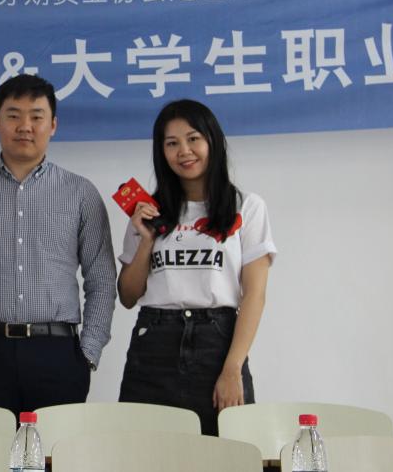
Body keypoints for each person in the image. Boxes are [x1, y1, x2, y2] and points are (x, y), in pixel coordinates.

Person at [0, 74, 117, 414]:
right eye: (14, 115)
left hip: (58, 354)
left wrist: (88, 354)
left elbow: (102, 279)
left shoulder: (80, 193)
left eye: (36, 116)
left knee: (55, 446)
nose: (25, 126)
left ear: (53, 125)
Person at [117, 99, 275, 436]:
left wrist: (232, 368)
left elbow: (255, 296)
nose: (184, 151)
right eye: (171, 143)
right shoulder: (148, 212)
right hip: (154, 342)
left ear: (212, 141)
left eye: (193, 139)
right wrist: (146, 240)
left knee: (227, 451)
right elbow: (128, 296)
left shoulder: (246, 206)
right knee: (143, 453)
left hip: (217, 343)